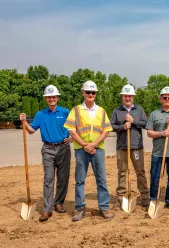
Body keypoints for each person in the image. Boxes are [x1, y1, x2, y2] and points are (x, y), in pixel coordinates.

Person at [19, 85, 72, 222]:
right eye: (49, 97)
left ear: (57, 98)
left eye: (53, 97)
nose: (51, 99)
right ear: (46, 99)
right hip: (48, 149)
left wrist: (72, 138)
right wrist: (24, 122)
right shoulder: (40, 114)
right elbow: (31, 131)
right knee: (48, 178)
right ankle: (47, 209)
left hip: (63, 148)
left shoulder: (66, 112)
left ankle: (58, 203)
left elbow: (76, 128)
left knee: (63, 178)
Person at [64, 80, 113, 221]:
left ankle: (104, 207)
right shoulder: (76, 110)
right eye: (88, 92)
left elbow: (106, 131)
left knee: (101, 180)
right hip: (81, 150)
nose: (90, 94)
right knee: (80, 180)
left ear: (95, 94)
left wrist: (93, 145)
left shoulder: (101, 111)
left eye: (93, 92)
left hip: (98, 149)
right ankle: (80, 208)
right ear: (83, 93)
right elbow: (71, 130)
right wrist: (86, 145)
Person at [110, 84, 150, 207]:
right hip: (122, 147)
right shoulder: (117, 111)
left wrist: (133, 121)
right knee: (122, 172)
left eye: (130, 96)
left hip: (136, 147)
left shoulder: (139, 110)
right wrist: (123, 126)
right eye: (125, 96)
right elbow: (111, 126)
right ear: (122, 97)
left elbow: (145, 124)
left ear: (133, 97)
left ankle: (144, 196)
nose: (128, 98)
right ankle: (121, 196)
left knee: (140, 172)